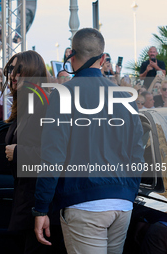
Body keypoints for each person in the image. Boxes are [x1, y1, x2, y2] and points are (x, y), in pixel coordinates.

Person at [34, 28, 144, 254]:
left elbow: (52, 157)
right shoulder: (126, 97)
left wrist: (41, 208)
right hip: (122, 203)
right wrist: (128, 192)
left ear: (71, 56)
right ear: (103, 59)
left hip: (84, 203)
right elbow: (137, 154)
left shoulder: (63, 95)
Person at [3, 50, 59, 254]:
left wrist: (20, 153)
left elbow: (58, 155)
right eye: (10, 70)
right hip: (27, 200)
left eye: (19, 71)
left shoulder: (45, 104)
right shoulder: (26, 106)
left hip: (43, 203)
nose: (13, 75)